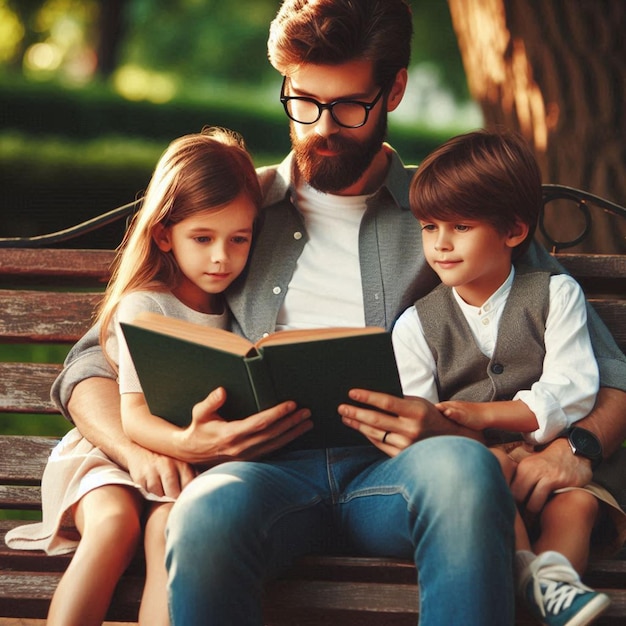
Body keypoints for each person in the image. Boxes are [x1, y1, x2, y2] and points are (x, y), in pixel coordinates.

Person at [47, 1, 626, 624]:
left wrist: (577, 449)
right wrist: (146, 451)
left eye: (349, 106)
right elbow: (90, 367)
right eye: (303, 101)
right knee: (204, 510)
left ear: (394, 89)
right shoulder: (235, 215)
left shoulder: (451, 215)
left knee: (464, 470)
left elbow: (610, 372)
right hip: (262, 476)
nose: (322, 127)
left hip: (403, 470)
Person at [5, 127, 306, 626]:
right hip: (113, 455)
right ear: (164, 233)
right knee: (115, 526)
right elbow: (135, 417)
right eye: (202, 238)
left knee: (170, 530)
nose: (221, 258)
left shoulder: (236, 307)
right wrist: (183, 446)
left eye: (239, 239)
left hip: (180, 468)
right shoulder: (145, 305)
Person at [390, 128, 626, 625]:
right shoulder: (415, 324)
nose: (441, 244)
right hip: (479, 463)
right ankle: (534, 578)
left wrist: (482, 412)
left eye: (460, 226)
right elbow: (424, 420)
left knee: (577, 507)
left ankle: (553, 583)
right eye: (429, 227)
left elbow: (574, 386)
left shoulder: (555, 295)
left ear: (514, 232)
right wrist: (475, 440)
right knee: (487, 481)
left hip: (560, 463)